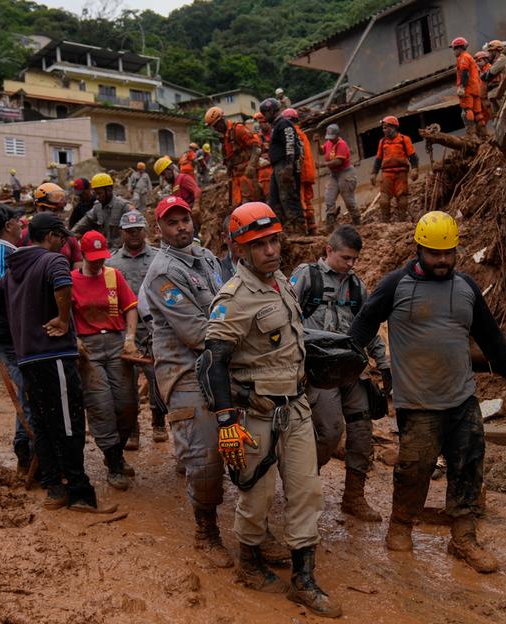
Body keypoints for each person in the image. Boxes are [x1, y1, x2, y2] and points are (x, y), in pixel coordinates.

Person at [348, 211, 506, 573]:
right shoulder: (395, 285)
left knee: (468, 467)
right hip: (417, 402)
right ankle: (400, 525)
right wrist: (349, 363)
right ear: (419, 249)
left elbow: (488, 332)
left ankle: (463, 538)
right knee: (414, 469)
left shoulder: (466, 287)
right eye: (435, 254)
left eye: (449, 253)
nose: (443, 260)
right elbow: (363, 325)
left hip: (462, 398)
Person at [199, 201, 340, 618]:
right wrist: (226, 420)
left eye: (274, 240)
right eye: (259, 244)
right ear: (241, 249)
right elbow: (212, 362)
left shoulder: (282, 281)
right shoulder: (234, 298)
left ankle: (304, 579)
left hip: (294, 409)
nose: (271, 250)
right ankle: (249, 561)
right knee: (255, 496)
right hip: (255, 415)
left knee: (306, 493)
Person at [0, 212, 117, 513]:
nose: (64, 242)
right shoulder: (53, 261)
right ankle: (80, 493)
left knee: (42, 422)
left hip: (27, 357)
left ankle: (55, 490)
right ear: (52, 236)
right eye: (62, 237)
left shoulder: (15, 266)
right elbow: (62, 285)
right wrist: (63, 318)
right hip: (53, 354)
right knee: (69, 423)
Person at [138, 195, 233, 569]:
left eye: (185, 220)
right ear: (158, 229)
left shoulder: (207, 257)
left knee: (249, 442)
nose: (182, 227)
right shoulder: (162, 271)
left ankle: (252, 528)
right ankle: (206, 530)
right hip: (186, 369)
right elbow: (195, 332)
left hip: (222, 358)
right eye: (172, 223)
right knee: (205, 457)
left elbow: (226, 302)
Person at [290, 225, 391, 522]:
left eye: (355, 259)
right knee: (330, 431)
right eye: (345, 257)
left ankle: (354, 497)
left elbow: (369, 325)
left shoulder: (357, 286)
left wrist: (383, 362)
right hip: (319, 371)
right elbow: (287, 317)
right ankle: (303, 489)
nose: (350, 264)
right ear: (329, 250)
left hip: (352, 370)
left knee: (361, 432)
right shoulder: (307, 277)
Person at [73, 230, 140, 490]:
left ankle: (118, 450)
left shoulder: (114, 276)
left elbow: (130, 307)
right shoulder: (71, 281)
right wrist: (74, 338)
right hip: (88, 350)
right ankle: (113, 461)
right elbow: (64, 314)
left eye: (102, 257)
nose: (99, 262)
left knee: (127, 404)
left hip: (115, 345)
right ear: (83, 255)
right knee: (101, 404)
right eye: (94, 258)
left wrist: (130, 337)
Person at [106, 210, 166, 446]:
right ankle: (132, 431)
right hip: (124, 332)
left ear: (145, 230)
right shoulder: (112, 263)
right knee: (126, 386)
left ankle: (159, 422)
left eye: (138, 230)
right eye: (129, 231)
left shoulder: (158, 258)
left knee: (157, 380)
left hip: (154, 329)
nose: (133, 234)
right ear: (121, 232)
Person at [0, 204, 35, 472]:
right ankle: (24, 449)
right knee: (29, 391)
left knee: (28, 392)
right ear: (8, 226)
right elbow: (4, 290)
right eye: (18, 220)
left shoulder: (3, 250)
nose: (22, 224)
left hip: (12, 330)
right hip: (11, 331)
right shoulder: (3, 252)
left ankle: (26, 449)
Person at [260, 98, 304, 231]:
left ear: (271, 111)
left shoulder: (284, 123)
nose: (264, 117)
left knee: (289, 198)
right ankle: (284, 229)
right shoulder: (276, 126)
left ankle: (299, 229)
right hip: (278, 167)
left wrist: (289, 167)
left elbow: (290, 144)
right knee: (274, 200)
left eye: (265, 113)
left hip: (285, 165)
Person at [205, 106, 261, 208]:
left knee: (248, 204)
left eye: (216, 125)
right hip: (235, 176)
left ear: (222, 120)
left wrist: (251, 166)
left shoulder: (238, 129)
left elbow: (256, 147)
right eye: (213, 127)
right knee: (236, 205)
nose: (215, 128)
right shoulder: (225, 137)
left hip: (246, 173)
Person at [370, 116, 418, 222]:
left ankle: (402, 221)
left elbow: (413, 156)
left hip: (401, 173)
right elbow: (378, 159)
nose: (384, 130)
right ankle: (385, 222)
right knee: (384, 199)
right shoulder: (382, 142)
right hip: (387, 173)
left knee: (402, 197)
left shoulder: (404, 139)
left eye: (386, 127)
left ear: (394, 127)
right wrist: (373, 173)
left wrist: (414, 169)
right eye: (383, 128)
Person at [24, 182, 83, 268]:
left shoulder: (68, 237)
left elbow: (78, 265)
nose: (58, 215)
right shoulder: (25, 235)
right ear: (40, 209)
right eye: (54, 211)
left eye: (60, 210)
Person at [71, 173, 130, 250]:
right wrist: (70, 235)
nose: (97, 197)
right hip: (104, 251)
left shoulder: (123, 206)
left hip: (120, 253)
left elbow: (141, 226)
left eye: (99, 193)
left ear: (109, 189)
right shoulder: (97, 206)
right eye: (95, 193)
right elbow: (83, 223)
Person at [282, 108, 316, 234]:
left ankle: (304, 229)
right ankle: (312, 227)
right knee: (308, 200)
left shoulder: (292, 135)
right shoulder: (302, 134)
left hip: (300, 172)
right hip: (308, 172)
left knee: (300, 200)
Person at [322, 124, 361, 227]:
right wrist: (317, 143)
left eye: (332, 137)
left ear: (337, 135)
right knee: (329, 198)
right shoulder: (328, 143)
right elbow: (322, 151)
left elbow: (338, 161)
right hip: (334, 174)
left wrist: (323, 165)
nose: (331, 140)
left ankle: (356, 220)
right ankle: (330, 223)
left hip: (345, 172)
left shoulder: (342, 144)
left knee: (348, 199)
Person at [451, 37, 485, 141]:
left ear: (459, 48)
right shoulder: (470, 57)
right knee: (478, 113)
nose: (453, 52)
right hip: (475, 89)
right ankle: (484, 135)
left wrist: (462, 87)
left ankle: (471, 135)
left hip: (468, 89)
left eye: (454, 49)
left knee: (467, 110)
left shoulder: (463, 57)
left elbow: (464, 73)